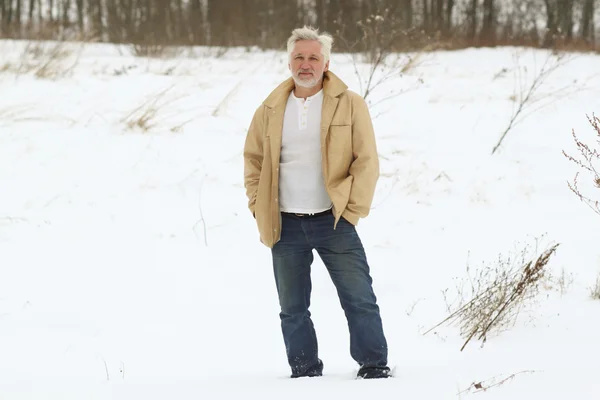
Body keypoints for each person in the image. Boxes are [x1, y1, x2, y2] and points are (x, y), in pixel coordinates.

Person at [243, 26, 390, 379]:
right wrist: (258, 204)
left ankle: (373, 365)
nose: (305, 64)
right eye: (298, 57)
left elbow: (366, 160)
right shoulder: (270, 108)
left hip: (334, 220)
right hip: (285, 224)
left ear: (326, 63)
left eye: (312, 57)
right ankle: (304, 370)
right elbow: (254, 160)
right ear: (289, 62)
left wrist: (352, 211)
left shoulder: (349, 103)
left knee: (359, 299)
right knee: (292, 307)